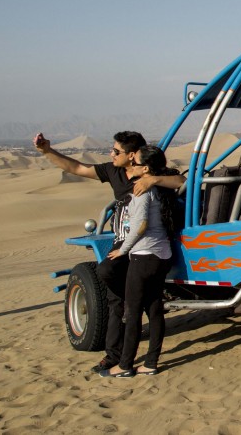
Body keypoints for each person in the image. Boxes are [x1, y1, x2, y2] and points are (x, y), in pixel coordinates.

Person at [33, 130, 182, 372]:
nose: (111, 154)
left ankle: (124, 362)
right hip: (125, 244)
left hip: (137, 247)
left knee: (122, 294)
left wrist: (152, 180)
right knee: (117, 297)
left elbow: (180, 182)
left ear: (133, 155)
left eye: (116, 151)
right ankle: (114, 355)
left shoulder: (149, 177)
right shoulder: (112, 171)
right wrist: (47, 151)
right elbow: (77, 168)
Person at [100, 145, 180, 378]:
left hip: (143, 256)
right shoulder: (161, 188)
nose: (130, 166)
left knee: (133, 311)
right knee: (154, 309)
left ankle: (124, 366)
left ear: (145, 168)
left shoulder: (143, 190)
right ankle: (151, 363)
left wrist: (123, 250)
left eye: (134, 163)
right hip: (162, 255)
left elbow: (141, 225)